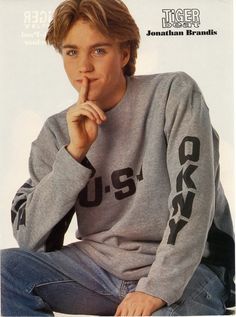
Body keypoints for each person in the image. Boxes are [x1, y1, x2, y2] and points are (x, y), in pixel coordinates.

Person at [1, 0, 234, 315]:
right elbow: (31, 240)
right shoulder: (57, 131)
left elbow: (192, 201)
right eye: (72, 52)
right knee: (5, 271)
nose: (83, 66)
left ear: (124, 53)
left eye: (98, 51)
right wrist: (75, 154)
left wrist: (155, 290)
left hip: (190, 270)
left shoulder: (173, 94)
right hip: (98, 269)